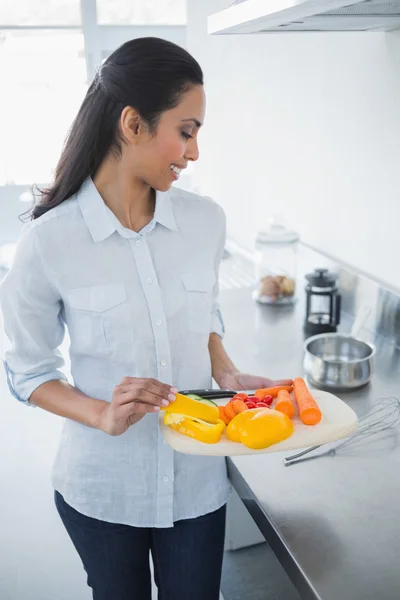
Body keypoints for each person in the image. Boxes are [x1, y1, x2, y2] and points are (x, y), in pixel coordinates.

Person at [0, 37, 290, 600]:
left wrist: (224, 372)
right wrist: (102, 413)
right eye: (186, 130)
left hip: (197, 484)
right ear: (132, 124)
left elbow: (202, 310)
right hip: (102, 491)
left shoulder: (206, 222)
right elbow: (27, 372)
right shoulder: (46, 242)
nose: (195, 152)